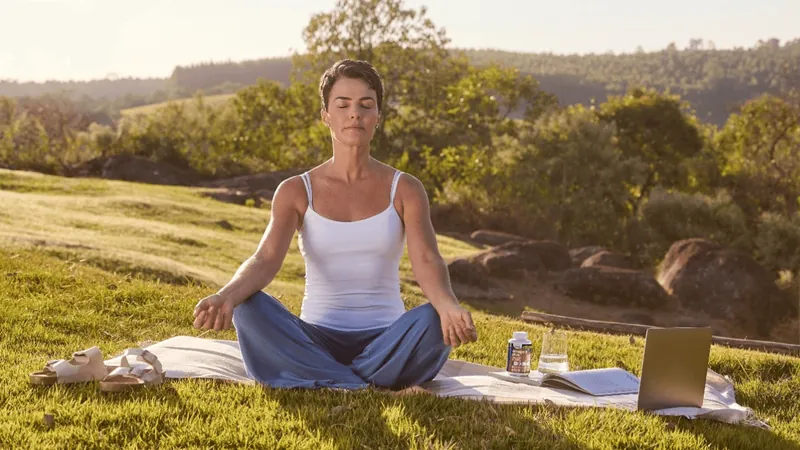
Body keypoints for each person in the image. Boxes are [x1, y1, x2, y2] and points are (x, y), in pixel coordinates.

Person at [191, 59, 478, 391]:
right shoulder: (296, 190)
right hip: (315, 339)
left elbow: (428, 259)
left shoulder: (406, 188)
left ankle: (329, 378)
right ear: (326, 114)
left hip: (387, 340)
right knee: (249, 307)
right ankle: (362, 383)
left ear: (377, 117)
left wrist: (448, 306)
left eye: (365, 105)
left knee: (431, 318)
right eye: (342, 105)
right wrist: (226, 296)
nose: (354, 113)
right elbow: (265, 258)